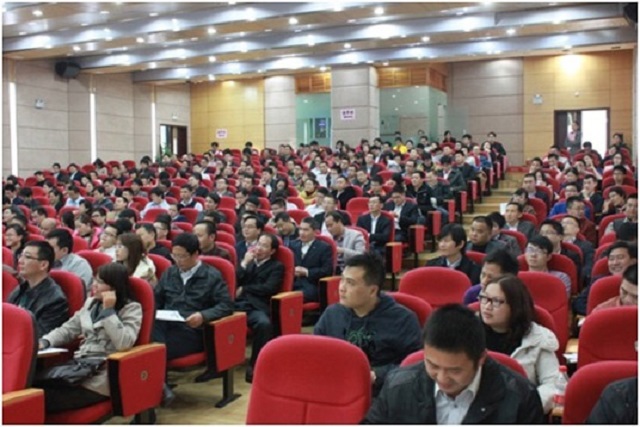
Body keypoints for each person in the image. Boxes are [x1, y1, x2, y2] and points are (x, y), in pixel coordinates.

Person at [363, 304, 544, 423]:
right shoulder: (398, 386)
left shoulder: (520, 397)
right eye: (433, 366)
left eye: (455, 370)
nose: (442, 378)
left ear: (481, 358)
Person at [36, 263, 142, 413]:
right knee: (33, 389)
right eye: (95, 280)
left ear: (114, 287)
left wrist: (109, 312)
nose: (94, 285)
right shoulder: (90, 303)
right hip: (78, 368)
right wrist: (46, 341)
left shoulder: (131, 308)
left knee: (43, 401)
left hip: (102, 376)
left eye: (100, 282)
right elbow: (68, 329)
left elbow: (124, 343)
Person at [315, 252, 422, 396]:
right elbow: (316, 354)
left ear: (372, 290)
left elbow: (416, 366)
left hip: (382, 393)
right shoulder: (332, 314)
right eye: (342, 280)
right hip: (337, 388)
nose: (341, 288)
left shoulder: (402, 319)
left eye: (350, 283)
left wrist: (378, 375)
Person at [152, 233, 233, 399]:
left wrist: (203, 316)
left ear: (195, 254)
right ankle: (160, 386)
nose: (177, 261)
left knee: (155, 349)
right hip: (167, 326)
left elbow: (226, 306)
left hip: (193, 331)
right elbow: (156, 301)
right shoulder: (170, 272)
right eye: (174, 256)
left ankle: (157, 388)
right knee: (148, 338)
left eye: (182, 256)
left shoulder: (211, 275)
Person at [479, 275, 560, 413]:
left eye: (496, 301)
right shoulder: (467, 333)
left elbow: (553, 384)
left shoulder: (538, 339)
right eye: (484, 298)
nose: (487, 306)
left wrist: (524, 408)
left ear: (515, 306)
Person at [234, 233, 284, 383]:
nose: (259, 248)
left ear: (272, 251)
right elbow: (234, 280)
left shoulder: (277, 266)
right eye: (258, 244)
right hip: (238, 304)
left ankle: (255, 364)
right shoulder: (248, 262)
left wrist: (245, 289)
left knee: (264, 324)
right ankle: (215, 367)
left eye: (264, 246)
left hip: (257, 306)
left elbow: (269, 288)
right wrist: (244, 263)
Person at [7, 241, 70, 338]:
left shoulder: (55, 300)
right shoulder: (21, 288)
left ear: (43, 265)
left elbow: (37, 336)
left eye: (27, 257)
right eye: (21, 256)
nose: (20, 261)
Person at [573, 241, 638, 315]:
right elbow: (578, 303)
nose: (615, 263)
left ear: (633, 261)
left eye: (620, 258)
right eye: (611, 259)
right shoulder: (598, 281)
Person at [290, 217, 333, 303]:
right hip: (292, 282)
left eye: (306, 230)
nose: (302, 233)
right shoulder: (292, 245)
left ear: (314, 231)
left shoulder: (324, 248)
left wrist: (307, 272)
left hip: (311, 285)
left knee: (290, 299)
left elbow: (327, 271)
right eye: (300, 229)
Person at [46, 229, 94, 293]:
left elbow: (77, 292)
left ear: (64, 250)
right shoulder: (42, 259)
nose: (45, 250)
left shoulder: (79, 265)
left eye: (50, 248)